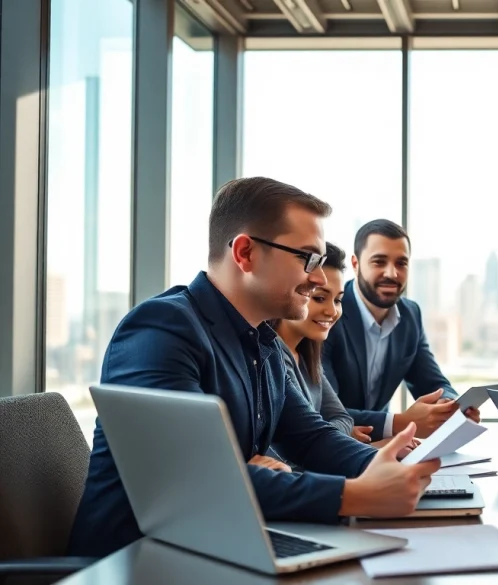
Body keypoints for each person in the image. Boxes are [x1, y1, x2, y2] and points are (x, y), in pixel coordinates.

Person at [66, 178, 438, 558]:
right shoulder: (161, 329)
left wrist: (387, 464)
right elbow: (196, 480)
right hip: (134, 562)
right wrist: (355, 495)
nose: (317, 277)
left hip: (217, 546)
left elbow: (312, 438)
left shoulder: (264, 342)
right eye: (307, 258)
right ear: (245, 253)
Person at [322, 219, 478, 441]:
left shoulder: (410, 315)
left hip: (387, 447)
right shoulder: (328, 313)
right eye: (379, 262)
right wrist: (399, 423)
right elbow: (323, 409)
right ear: (355, 264)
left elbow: (432, 382)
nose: (392, 273)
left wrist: (449, 406)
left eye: (401, 263)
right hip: (335, 448)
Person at [267, 242, 372, 457]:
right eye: (320, 298)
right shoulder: (271, 355)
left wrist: (333, 435)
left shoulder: (307, 356)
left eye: (338, 300)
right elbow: (306, 442)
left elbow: (343, 418)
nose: (332, 311)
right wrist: (342, 436)